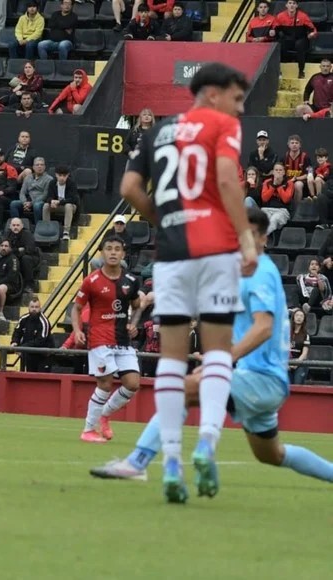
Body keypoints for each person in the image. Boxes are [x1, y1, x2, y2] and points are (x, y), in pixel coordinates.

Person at [91, 209, 333, 488]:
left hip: (260, 378)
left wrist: (224, 360)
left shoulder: (260, 272)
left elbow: (263, 327)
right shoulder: (244, 272)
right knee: (272, 454)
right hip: (265, 382)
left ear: (264, 239)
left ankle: (136, 463)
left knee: (181, 392)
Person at [120, 62, 258, 503]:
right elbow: (224, 179)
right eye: (237, 98)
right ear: (214, 94)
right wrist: (245, 240)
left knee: (172, 362)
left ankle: (171, 465)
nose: (240, 109)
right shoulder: (222, 125)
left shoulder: (157, 131)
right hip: (215, 248)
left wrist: (162, 220)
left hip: (172, 255)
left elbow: (127, 187)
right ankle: (207, 444)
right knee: (217, 353)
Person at [72, 235, 144, 443]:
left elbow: (138, 306)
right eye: (109, 249)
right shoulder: (91, 281)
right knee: (105, 383)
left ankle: (104, 415)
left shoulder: (130, 281)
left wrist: (134, 324)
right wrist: (77, 330)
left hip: (122, 341)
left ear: (123, 254)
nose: (113, 252)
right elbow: (76, 309)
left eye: (117, 249)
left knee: (132, 383)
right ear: (102, 253)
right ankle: (88, 430)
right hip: (99, 339)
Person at [10, 296, 52, 372]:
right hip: (28, 355)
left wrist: (22, 347)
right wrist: (14, 342)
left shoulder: (44, 322)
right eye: (32, 307)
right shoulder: (23, 319)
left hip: (42, 356)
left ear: (40, 308)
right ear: (28, 307)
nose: (34, 309)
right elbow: (17, 332)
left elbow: (40, 341)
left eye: (36, 307)